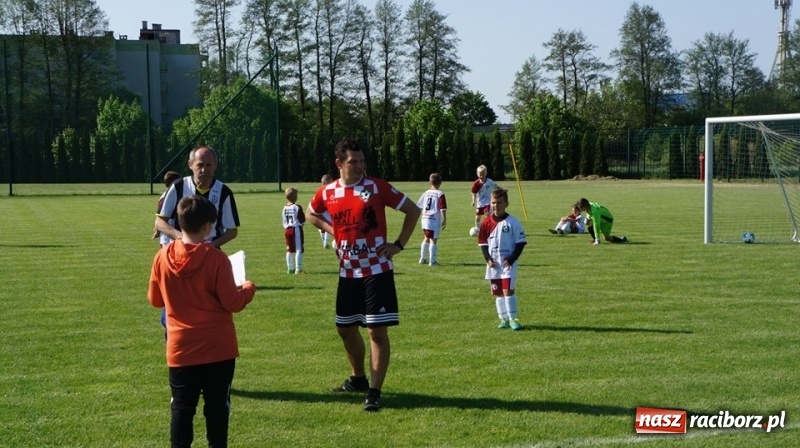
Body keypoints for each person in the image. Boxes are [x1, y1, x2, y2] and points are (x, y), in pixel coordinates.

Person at [306, 138, 420, 412]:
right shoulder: (328, 191)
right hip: (347, 272)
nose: (359, 166)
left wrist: (398, 245)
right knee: (345, 329)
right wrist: (334, 231)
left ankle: (374, 392)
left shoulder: (377, 187)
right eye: (353, 162)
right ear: (339, 164)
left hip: (377, 271)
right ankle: (358, 379)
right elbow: (310, 213)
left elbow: (413, 210)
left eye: (361, 161)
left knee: (376, 331)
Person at [147, 195, 256, 448]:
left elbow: (155, 300)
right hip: (217, 347)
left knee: (182, 409)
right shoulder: (216, 259)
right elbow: (233, 303)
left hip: (181, 348)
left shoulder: (161, 257)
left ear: (180, 222)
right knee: (217, 407)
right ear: (208, 226)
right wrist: (248, 288)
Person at [154, 146, 240, 249]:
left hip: (209, 251)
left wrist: (211, 245)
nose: (204, 170)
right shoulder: (178, 187)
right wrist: (183, 239)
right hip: (180, 249)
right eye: (200, 165)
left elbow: (232, 231)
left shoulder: (224, 192)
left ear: (215, 165)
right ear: (190, 165)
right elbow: (159, 222)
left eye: (209, 165)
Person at [478, 188, 527, 331]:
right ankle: (503, 319)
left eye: (499, 202)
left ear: (506, 204)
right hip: (494, 265)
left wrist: (512, 259)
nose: (496, 205)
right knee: (498, 292)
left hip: (508, 264)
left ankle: (513, 319)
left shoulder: (513, 222)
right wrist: (488, 258)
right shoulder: (486, 223)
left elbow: (521, 243)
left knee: (508, 291)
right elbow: (483, 243)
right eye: (493, 202)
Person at [416, 173, 447, 266]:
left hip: (424, 219)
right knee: (433, 240)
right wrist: (444, 219)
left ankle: (422, 258)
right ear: (440, 183)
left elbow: (419, 206)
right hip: (433, 220)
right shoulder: (440, 194)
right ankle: (432, 261)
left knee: (426, 238)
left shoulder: (425, 193)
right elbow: (442, 209)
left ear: (429, 182)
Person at [153, 171, 183, 243]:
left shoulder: (175, 195)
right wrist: (158, 231)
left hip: (173, 232)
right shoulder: (165, 197)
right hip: (166, 234)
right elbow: (160, 216)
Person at [282, 187, 305, 274]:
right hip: (296, 229)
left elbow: (284, 219)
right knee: (299, 249)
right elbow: (302, 219)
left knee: (289, 250)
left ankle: (290, 268)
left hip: (287, 229)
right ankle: (298, 268)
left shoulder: (284, 208)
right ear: (295, 197)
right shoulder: (297, 207)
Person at [470, 164, 497, 232]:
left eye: (483, 174)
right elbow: (473, 193)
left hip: (488, 201)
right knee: (477, 218)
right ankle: (478, 230)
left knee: (487, 214)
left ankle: (489, 228)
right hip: (480, 203)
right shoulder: (476, 183)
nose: (481, 176)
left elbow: (496, 187)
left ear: (486, 173)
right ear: (477, 174)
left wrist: (503, 190)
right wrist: (473, 201)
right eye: (480, 174)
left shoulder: (490, 182)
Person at [318, 174, 335, 249]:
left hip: (321, 211)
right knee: (329, 224)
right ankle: (325, 242)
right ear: (325, 182)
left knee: (323, 227)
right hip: (325, 210)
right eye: (331, 182)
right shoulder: (326, 190)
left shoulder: (319, 190)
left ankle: (324, 242)